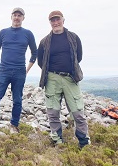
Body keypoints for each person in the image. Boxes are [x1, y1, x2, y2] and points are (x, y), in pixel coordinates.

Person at [37, 10, 90, 148]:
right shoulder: (44, 41)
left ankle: (84, 142)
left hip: (70, 78)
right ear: (50, 23)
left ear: (63, 20)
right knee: (53, 112)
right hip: (51, 78)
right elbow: (40, 61)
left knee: (78, 112)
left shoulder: (73, 37)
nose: (55, 22)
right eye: (52, 20)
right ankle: (57, 140)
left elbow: (79, 57)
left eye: (57, 19)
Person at [0, 8, 37, 136]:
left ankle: (14, 125)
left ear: (23, 18)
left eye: (19, 15)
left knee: (18, 100)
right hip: (4, 70)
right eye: (15, 15)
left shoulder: (28, 34)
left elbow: (34, 53)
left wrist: (27, 70)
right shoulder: (3, 32)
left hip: (20, 71)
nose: (17, 17)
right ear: (11, 17)